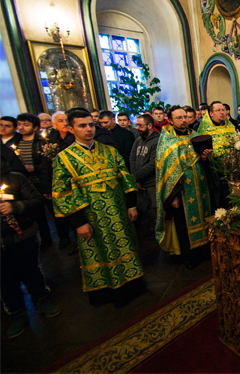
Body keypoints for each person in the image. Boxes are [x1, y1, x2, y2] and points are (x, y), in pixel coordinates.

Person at [52, 108, 144, 306]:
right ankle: (108, 293)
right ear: (71, 129)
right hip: (92, 219)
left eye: (91, 125)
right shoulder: (64, 159)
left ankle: (133, 286)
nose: (88, 129)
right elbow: (62, 194)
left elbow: (125, 177)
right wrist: (78, 223)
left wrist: (132, 206)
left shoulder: (109, 150)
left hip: (119, 213)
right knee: (99, 253)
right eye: (82, 126)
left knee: (125, 246)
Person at [1, 156, 62, 338]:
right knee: (5, 278)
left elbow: (36, 201)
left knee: (31, 270)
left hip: (23, 236)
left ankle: (42, 299)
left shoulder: (15, 178)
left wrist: (16, 207)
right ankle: (16, 313)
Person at [156, 106, 212, 269]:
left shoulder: (195, 136)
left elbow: (203, 160)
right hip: (182, 191)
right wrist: (172, 196)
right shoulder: (167, 140)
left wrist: (205, 157)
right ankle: (190, 257)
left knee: (204, 216)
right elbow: (165, 172)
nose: (183, 120)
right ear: (171, 120)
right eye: (179, 118)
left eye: (185, 117)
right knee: (184, 223)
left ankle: (205, 252)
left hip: (200, 186)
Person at [15, 113, 54, 248]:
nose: (22, 128)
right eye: (19, 124)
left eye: (26, 125)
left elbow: (46, 166)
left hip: (39, 180)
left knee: (51, 212)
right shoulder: (15, 142)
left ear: (35, 127)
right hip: (23, 183)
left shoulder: (41, 142)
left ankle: (53, 238)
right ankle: (38, 239)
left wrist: (34, 168)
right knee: (33, 214)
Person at [129, 114, 159, 239]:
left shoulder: (157, 141)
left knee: (155, 208)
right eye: (137, 125)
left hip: (152, 182)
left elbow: (153, 163)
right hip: (140, 181)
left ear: (150, 125)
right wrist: (135, 177)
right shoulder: (138, 140)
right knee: (144, 208)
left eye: (140, 125)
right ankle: (150, 230)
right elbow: (132, 159)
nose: (138, 128)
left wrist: (136, 177)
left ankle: (158, 232)